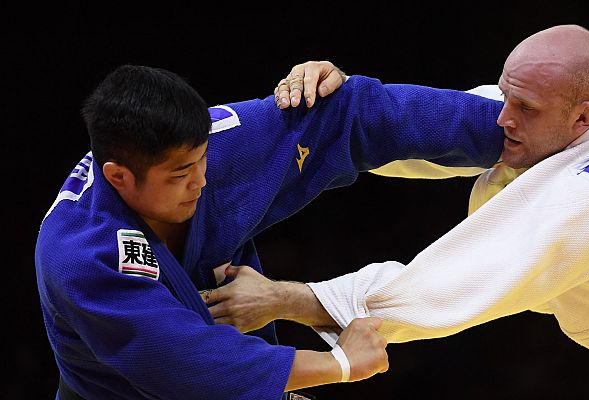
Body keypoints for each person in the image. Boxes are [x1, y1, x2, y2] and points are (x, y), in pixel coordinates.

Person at [205, 25, 589, 399]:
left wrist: (281, 298)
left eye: (525, 110)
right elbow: (433, 131)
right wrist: (337, 112)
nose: (503, 118)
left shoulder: (587, 202)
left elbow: (433, 290)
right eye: (507, 93)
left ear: (584, 115)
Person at [35, 61, 507, 399]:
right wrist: (338, 365)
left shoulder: (217, 147)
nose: (200, 181)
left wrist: (508, 132)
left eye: (201, 161)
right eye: (180, 175)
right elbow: (186, 366)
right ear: (119, 176)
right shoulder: (80, 254)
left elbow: (349, 114)